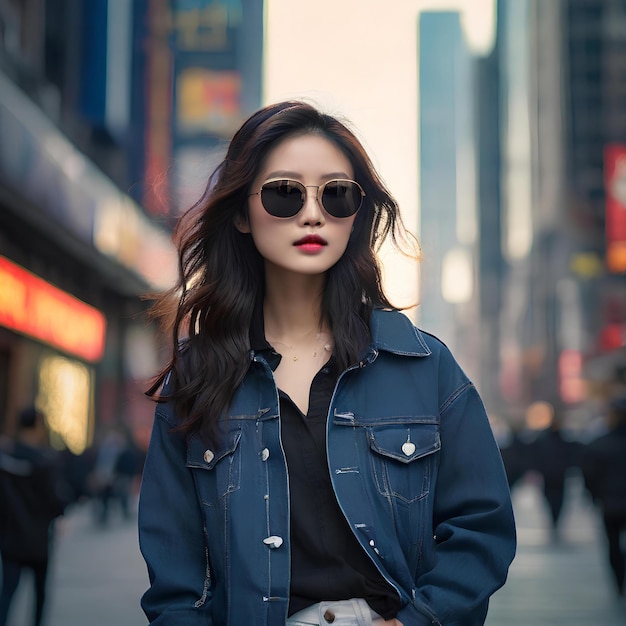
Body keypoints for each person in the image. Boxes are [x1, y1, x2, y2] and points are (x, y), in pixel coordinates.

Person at [138, 100, 516, 626]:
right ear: (243, 214)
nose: (312, 214)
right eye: (284, 193)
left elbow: (483, 527)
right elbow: (174, 584)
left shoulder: (425, 367)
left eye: (336, 195)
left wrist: (418, 622)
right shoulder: (197, 378)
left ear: (356, 216)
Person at [0, 406, 70, 626]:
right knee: (39, 593)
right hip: (39, 538)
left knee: (8, 591)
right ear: (38, 425)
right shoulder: (45, 462)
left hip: (10, 537)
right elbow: (56, 500)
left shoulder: (5, 459)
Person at [581, 394, 626, 596]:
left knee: (613, 544)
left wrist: (593, 495)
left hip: (610, 504)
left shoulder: (599, 444)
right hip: (612, 501)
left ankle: (618, 581)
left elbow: (590, 475)